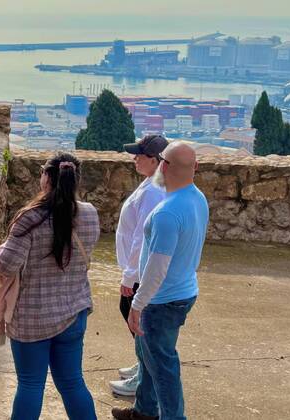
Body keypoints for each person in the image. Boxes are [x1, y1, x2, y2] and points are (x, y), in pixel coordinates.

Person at [0, 153, 101, 420]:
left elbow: (6, 267)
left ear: (46, 178)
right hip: (74, 310)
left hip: (32, 317)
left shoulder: (30, 218)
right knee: (72, 382)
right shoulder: (90, 214)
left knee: (30, 384)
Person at [112, 142, 209, 420]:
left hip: (162, 299)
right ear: (195, 167)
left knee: (163, 367)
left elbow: (157, 268)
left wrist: (137, 305)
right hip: (182, 290)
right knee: (150, 357)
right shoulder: (197, 198)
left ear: (163, 166)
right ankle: (144, 410)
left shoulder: (167, 212)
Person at [110, 135, 169, 397]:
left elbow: (142, 237)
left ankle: (144, 377)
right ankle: (142, 365)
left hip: (140, 271)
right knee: (134, 317)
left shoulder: (154, 192)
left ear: (155, 160)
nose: (135, 158)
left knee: (137, 319)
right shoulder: (152, 184)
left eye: (140, 155)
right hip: (138, 269)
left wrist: (130, 275)